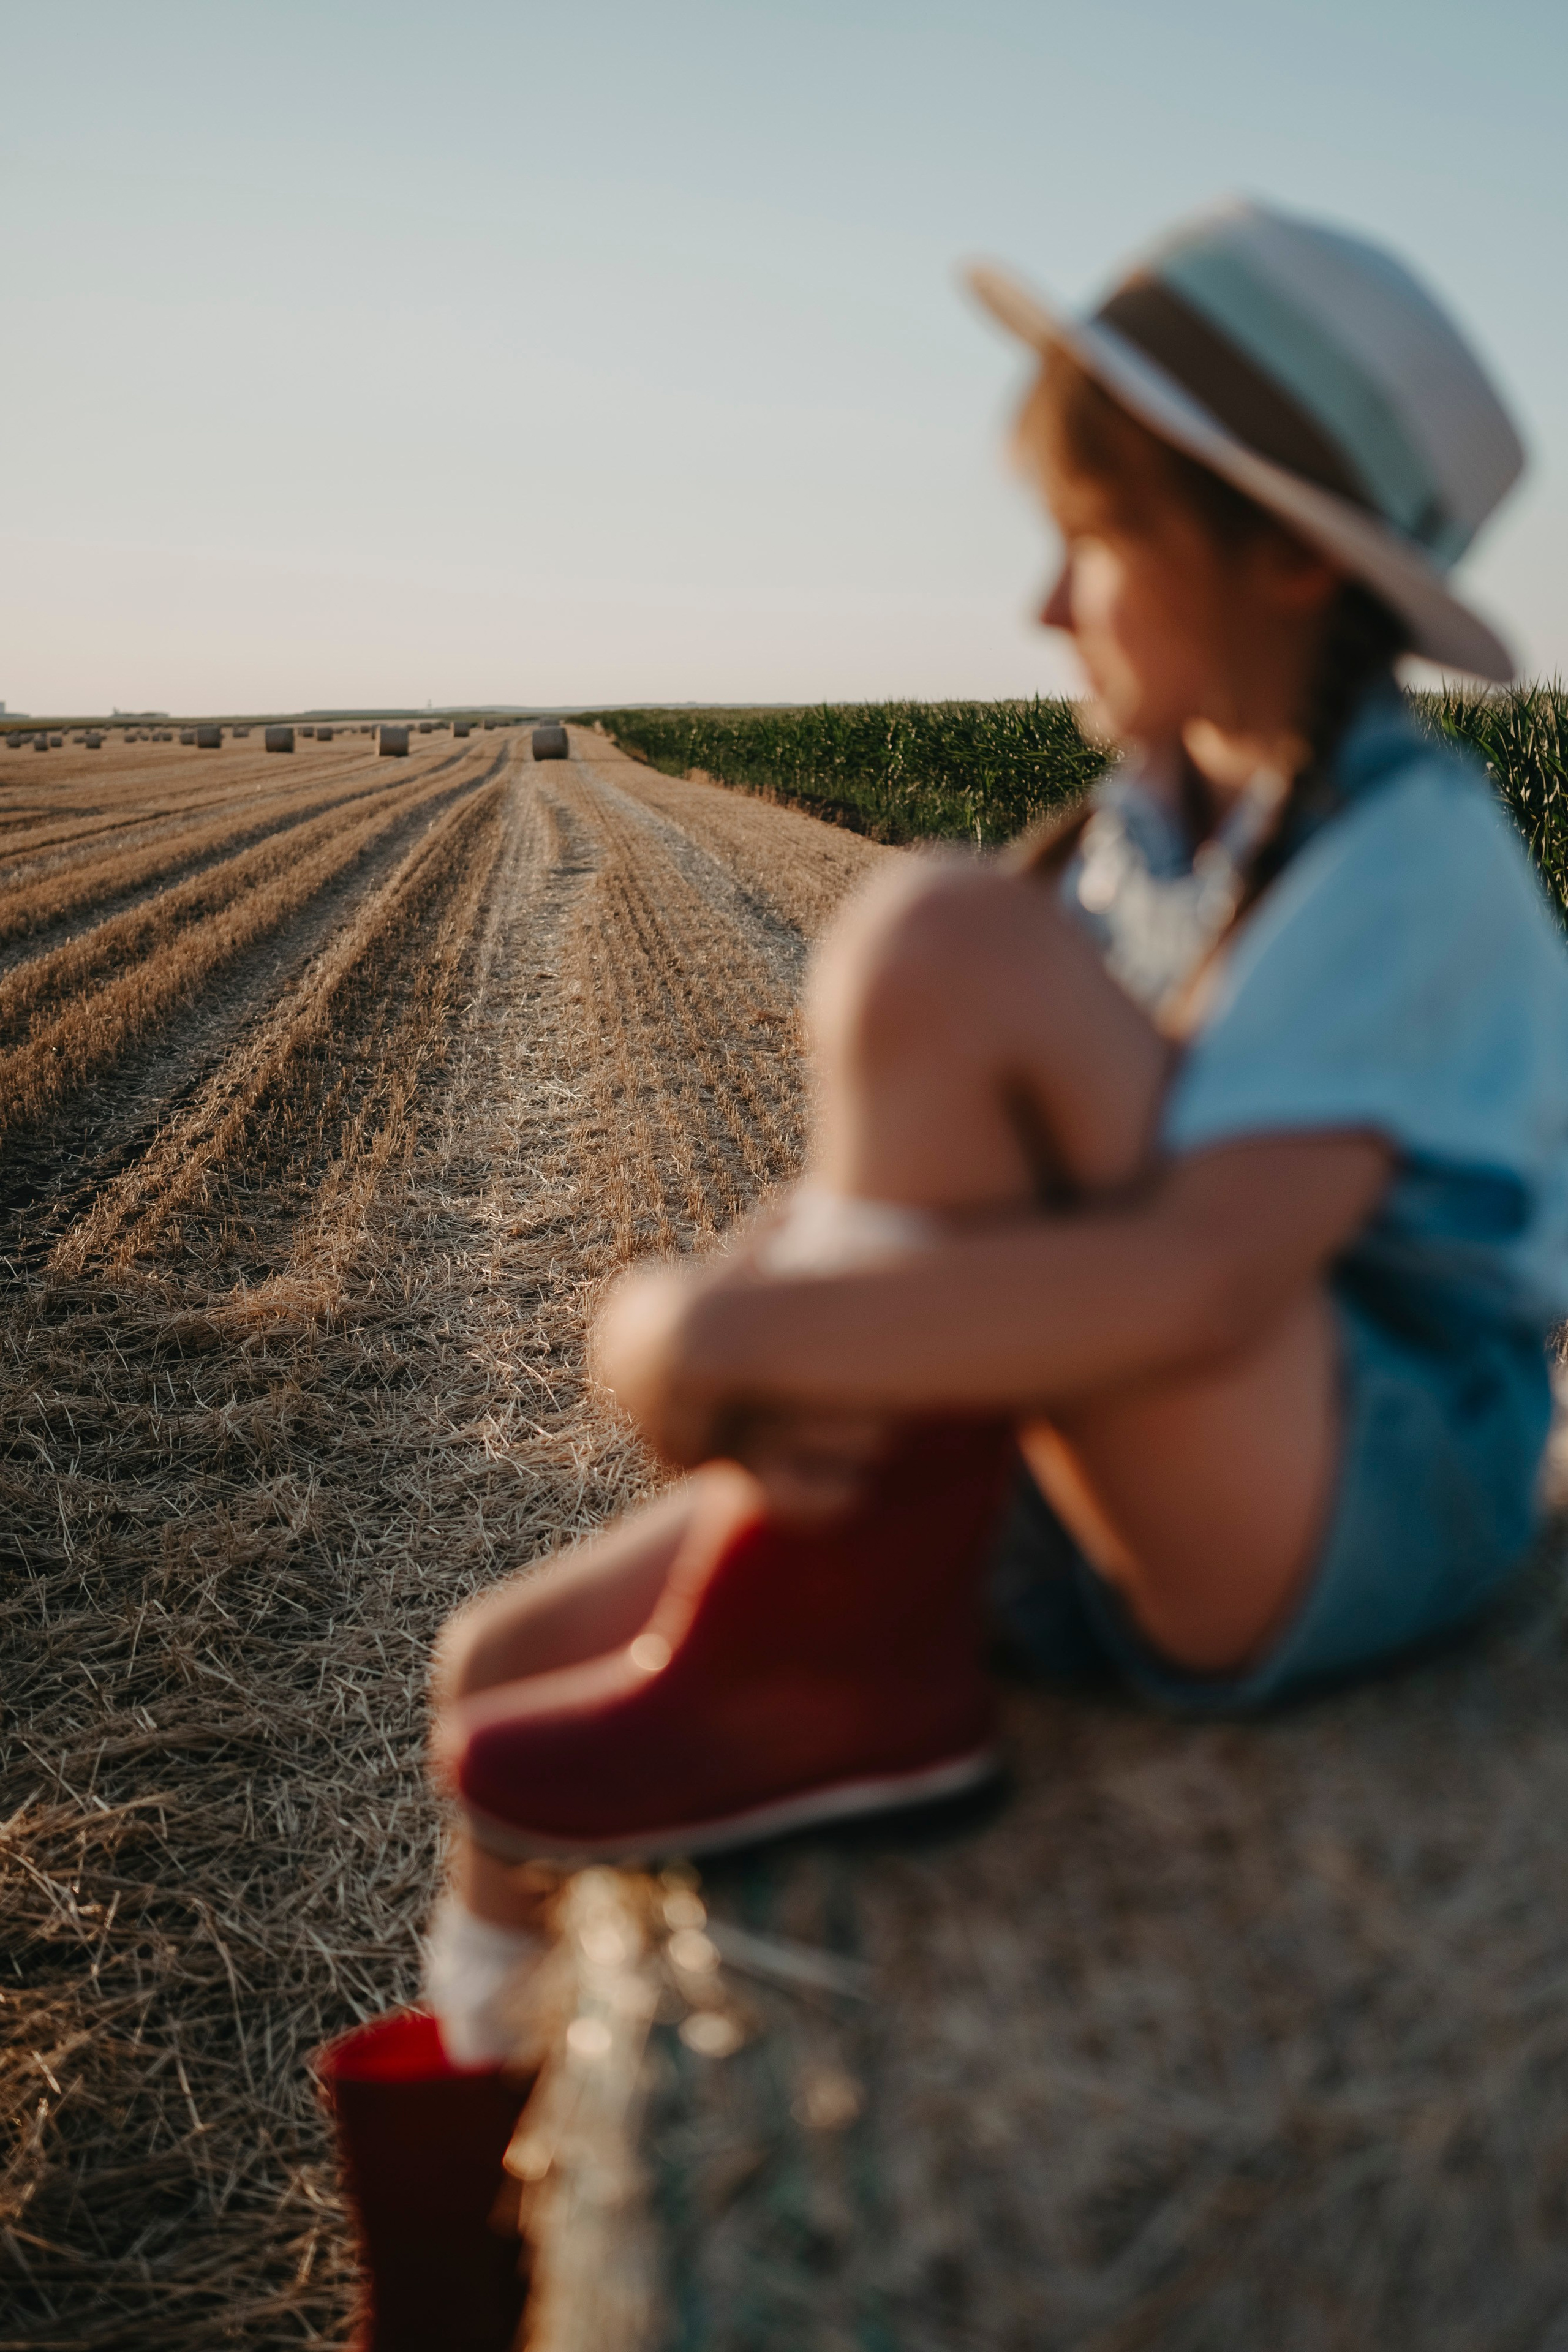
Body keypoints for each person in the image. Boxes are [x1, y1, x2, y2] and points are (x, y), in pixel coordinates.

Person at [421, 200, 1568, 2064]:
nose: (1045, 605)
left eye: (1094, 540)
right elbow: (945, 1215)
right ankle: (483, 2215)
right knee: (495, 1679)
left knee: (943, 935)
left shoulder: (1409, 861)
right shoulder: (1145, 843)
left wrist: (744, 1346)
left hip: (1357, 1476)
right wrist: (723, 1312)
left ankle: (854, 1668)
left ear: (1283, 563)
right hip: (1133, 1450)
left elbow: (1206, 1280)